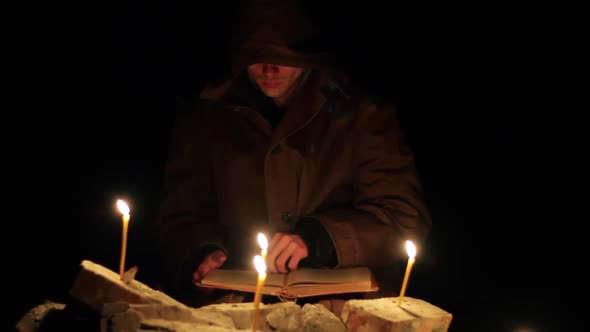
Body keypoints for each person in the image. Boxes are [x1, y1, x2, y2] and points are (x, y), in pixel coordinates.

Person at [153, 0, 432, 310]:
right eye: (256, 57)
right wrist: (200, 253)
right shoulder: (206, 119)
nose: (269, 70)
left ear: (307, 57)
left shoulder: (361, 116)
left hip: (341, 310)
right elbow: (181, 214)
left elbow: (402, 216)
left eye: (282, 58)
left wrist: (320, 239)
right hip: (239, 309)